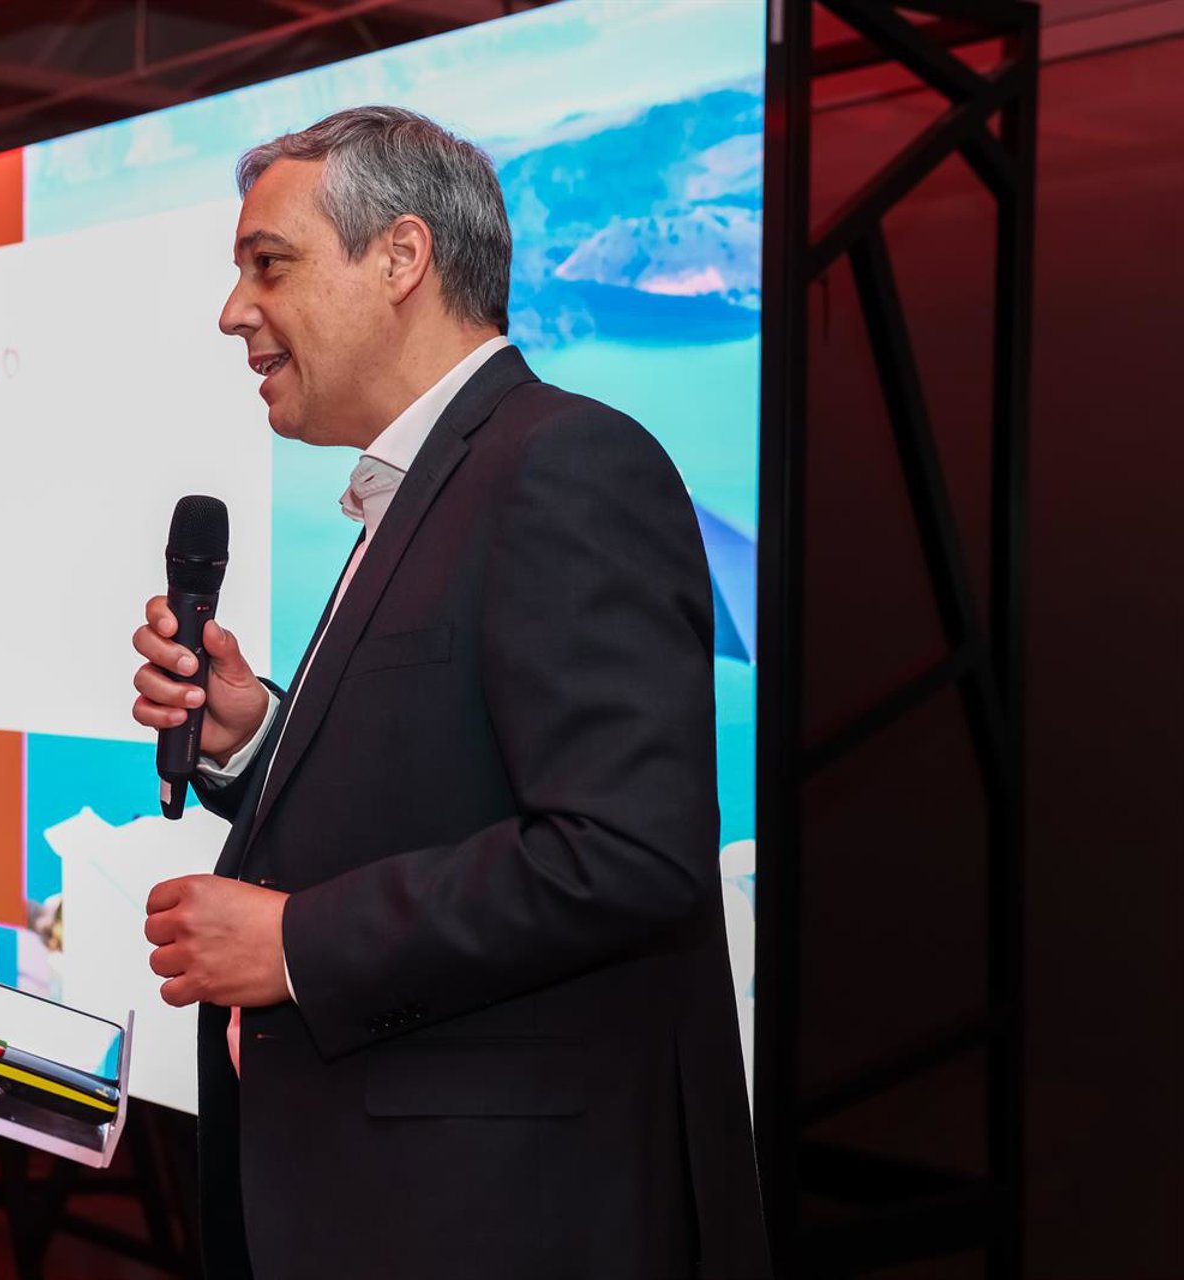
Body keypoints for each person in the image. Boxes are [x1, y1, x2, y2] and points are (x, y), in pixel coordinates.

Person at [131, 106, 769, 1279]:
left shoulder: (565, 463)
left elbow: (627, 851)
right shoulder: (425, 482)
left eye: (268, 265)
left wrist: (295, 942)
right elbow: (444, 786)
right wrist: (255, 734)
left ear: (401, 258)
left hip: (502, 1224)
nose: (234, 311)